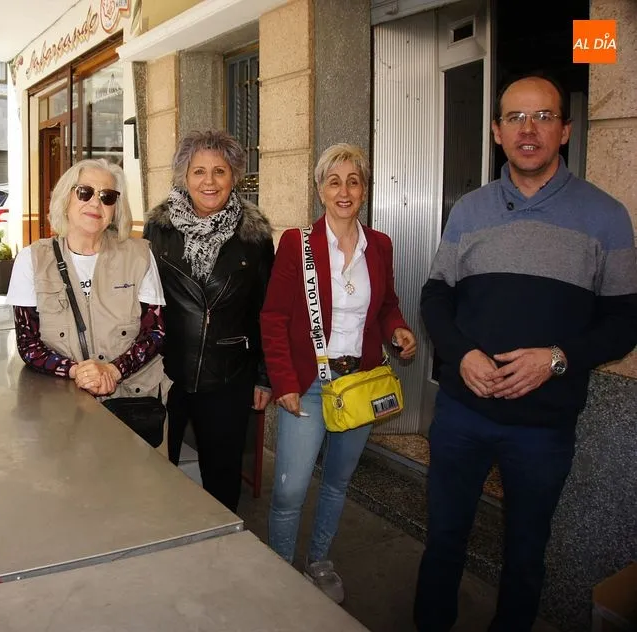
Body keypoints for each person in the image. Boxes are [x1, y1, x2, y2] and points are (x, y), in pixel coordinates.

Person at [415, 73, 637, 632]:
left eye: (543, 117)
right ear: (497, 131)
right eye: (515, 117)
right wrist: (461, 354)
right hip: (463, 414)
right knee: (443, 537)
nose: (528, 130)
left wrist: (555, 359)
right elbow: (436, 295)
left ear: (566, 130)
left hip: (543, 427)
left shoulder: (606, 216)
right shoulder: (470, 210)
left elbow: (625, 322)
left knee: (525, 554)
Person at [260, 143, 416, 602]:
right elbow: (273, 318)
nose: (344, 191)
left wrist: (398, 329)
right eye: (334, 182)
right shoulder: (297, 244)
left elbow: (386, 305)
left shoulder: (380, 245)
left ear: (364, 189)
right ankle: (281, 573)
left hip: (358, 384)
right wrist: (284, 382)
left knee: (337, 482)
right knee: (290, 489)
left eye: (353, 181)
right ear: (320, 190)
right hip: (308, 385)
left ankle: (319, 562)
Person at [143, 129, 274, 512]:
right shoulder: (158, 229)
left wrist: (264, 376)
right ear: (184, 176)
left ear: (234, 176)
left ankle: (220, 541)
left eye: (220, 171)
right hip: (165, 371)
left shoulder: (255, 236)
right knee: (155, 472)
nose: (209, 181)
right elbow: (143, 302)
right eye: (199, 171)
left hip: (228, 376)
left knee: (222, 479)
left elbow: (266, 309)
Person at [7, 158, 165, 404]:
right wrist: (76, 371)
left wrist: (113, 371)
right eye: (85, 192)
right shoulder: (32, 260)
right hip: (65, 403)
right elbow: (28, 343)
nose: (95, 203)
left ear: (116, 208)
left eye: (107, 197)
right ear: (65, 199)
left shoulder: (140, 256)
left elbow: (155, 332)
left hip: (132, 400)